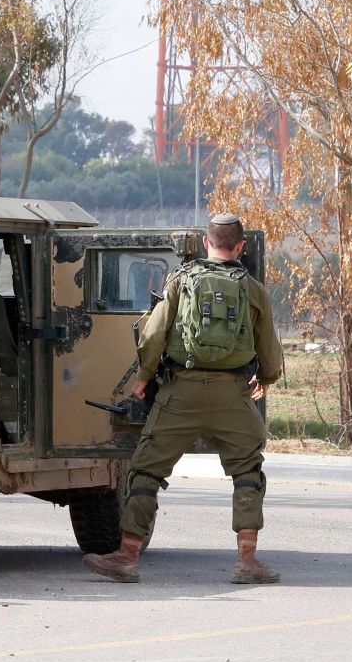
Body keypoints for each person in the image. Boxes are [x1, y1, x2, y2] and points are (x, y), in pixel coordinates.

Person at [84, 213, 284, 584]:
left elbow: (154, 334)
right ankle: (247, 560)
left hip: (180, 393)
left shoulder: (181, 280)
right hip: (234, 397)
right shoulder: (253, 288)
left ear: (206, 243)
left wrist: (143, 379)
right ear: (240, 246)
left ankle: (127, 556)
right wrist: (267, 378)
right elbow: (269, 349)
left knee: (146, 471)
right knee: (247, 473)